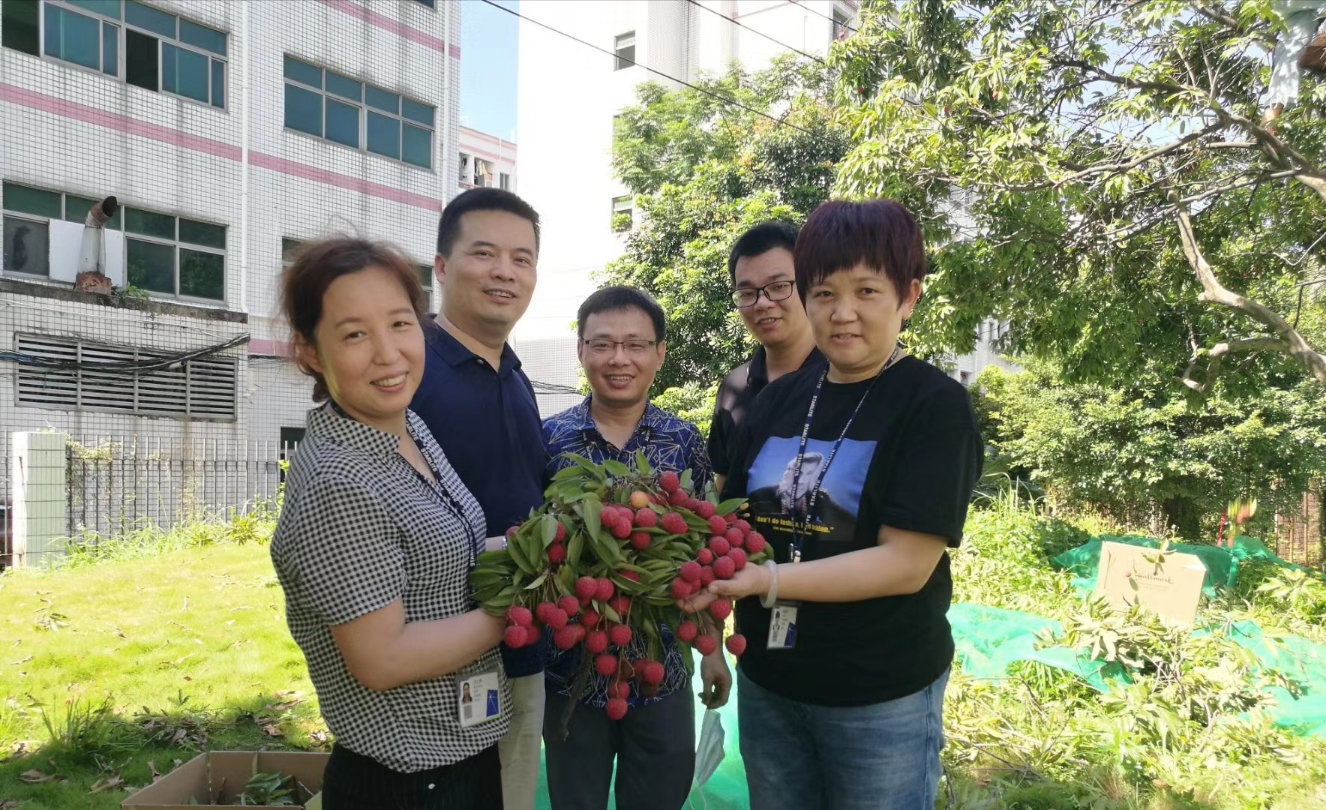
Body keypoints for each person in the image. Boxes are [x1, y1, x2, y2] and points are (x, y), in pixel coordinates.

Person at [686, 200, 983, 809]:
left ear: (908, 296)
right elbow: (731, 522)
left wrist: (768, 580)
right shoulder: (777, 400)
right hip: (770, 679)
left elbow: (906, 564)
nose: (842, 313)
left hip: (877, 694)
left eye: (866, 291)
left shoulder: (931, 405)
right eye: (823, 293)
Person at [271, 238, 508, 809]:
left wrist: (520, 552)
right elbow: (384, 658)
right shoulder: (339, 483)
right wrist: (516, 608)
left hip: (459, 750)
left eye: (400, 323)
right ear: (309, 352)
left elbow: (437, 557)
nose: (388, 353)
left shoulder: (407, 429)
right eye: (355, 334)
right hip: (408, 783)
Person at [541, 286, 729, 810]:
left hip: (661, 669)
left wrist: (713, 652)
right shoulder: (549, 440)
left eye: (635, 344)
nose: (618, 358)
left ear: (660, 353)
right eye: (602, 344)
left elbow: (706, 553)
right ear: (581, 351)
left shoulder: (683, 441)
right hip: (569, 672)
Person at [409, 188, 549, 810]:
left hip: (521, 642)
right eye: (485, 253)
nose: (505, 272)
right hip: (431, 658)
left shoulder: (517, 379)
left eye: (522, 259)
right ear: (442, 266)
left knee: (512, 792)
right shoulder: (408, 372)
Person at [709, 221, 823, 492]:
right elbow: (721, 488)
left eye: (779, 286)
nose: (762, 303)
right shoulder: (735, 387)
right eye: (747, 293)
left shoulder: (846, 378)